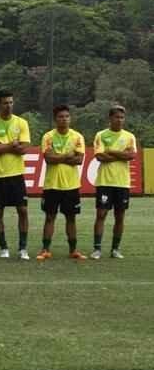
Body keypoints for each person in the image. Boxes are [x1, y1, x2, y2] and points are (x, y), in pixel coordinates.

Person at [37, 105, 86, 261]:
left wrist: (59, 157)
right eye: (60, 117)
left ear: (70, 118)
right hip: (52, 184)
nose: (64, 119)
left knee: (71, 218)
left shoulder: (77, 137)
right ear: (55, 119)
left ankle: (73, 250)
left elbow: (79, 160)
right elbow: (49, 159)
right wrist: (67, 156)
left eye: (66, 116)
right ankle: (45, 249)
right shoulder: (48, 137)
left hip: (71, 185)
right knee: (50, 217)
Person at [0, 92, 31, 260]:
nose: (9, 105)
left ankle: (23, 248)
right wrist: (12, 144)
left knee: (23, 210)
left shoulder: (22, 123)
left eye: (11, 102)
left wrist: (2, 146)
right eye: (5, 103)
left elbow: (24, 148)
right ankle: (3, 247)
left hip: (16, 174)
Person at [91, 105, 137, 260]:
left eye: (122, 117)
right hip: (105, 181)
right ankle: (97, 249)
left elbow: (131, 156)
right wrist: (121, 154)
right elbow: (100, 157)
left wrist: (111, 151)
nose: (120, 120)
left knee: (120, 216)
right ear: (110, 118)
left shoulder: (130, 136)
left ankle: (115, 249)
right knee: (101, 214)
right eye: (117, 117)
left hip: (122, 182)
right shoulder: (101, 135)